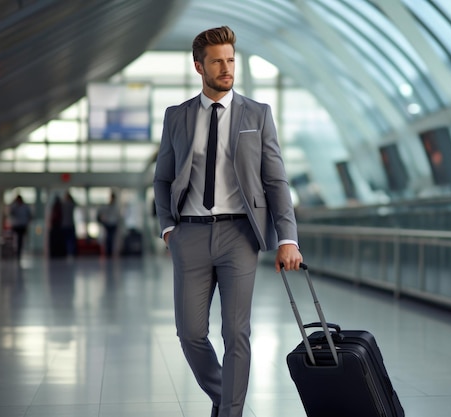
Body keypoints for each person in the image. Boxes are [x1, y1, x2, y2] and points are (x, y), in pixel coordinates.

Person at [153, 26, 303, 417]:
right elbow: (163, 177)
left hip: (239, 234)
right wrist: (169, 228)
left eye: (231, 59)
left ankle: (231, 412)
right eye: (217, 61)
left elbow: (276, 180)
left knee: (236, 332)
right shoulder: (178, 116)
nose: (226, 67)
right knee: (190, 333)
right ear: (198, 66)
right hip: (190, 233)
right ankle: (225, 395)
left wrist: (289, 238)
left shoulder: (258, 114)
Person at [97, 191, 120, 257]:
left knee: (112, 239)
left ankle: (111, 252)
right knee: (108, 239)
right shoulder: (107, 206)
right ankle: (108, 252)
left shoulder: (116, 206)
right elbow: (101, 213)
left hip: (113, 224)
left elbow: (117, 216)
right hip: (108, 224)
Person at [8, 194, 32, 259]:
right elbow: (10, 213)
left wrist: (27, 222)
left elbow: (29, 215)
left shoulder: (25, 207)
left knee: (20, 240)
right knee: (15, 239)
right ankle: (15, 251)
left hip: (22, 225)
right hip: (16, 225)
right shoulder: (14, 206)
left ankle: (19, 252)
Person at [60, 190, 77, 258]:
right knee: (71, 240)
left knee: (66, 240)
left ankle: (67, 252)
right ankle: (71, 253)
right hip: (70, 224)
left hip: (65, 225)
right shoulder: (72, 204)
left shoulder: (63, 204)